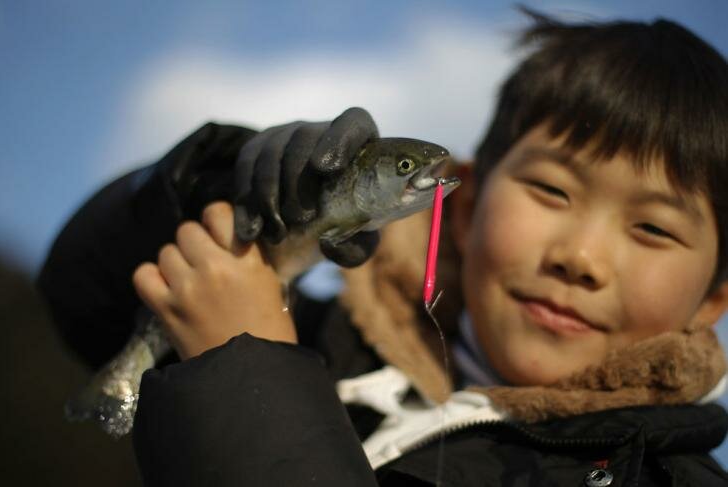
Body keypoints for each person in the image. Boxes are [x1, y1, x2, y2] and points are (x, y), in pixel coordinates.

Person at [38, 9, 728, 486]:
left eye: (653, 228)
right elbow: (79, 296)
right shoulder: (332, 345)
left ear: (715, 299)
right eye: (552, 191)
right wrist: (217, 177)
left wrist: (247, 369)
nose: (580, 256)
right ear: (462, 208)